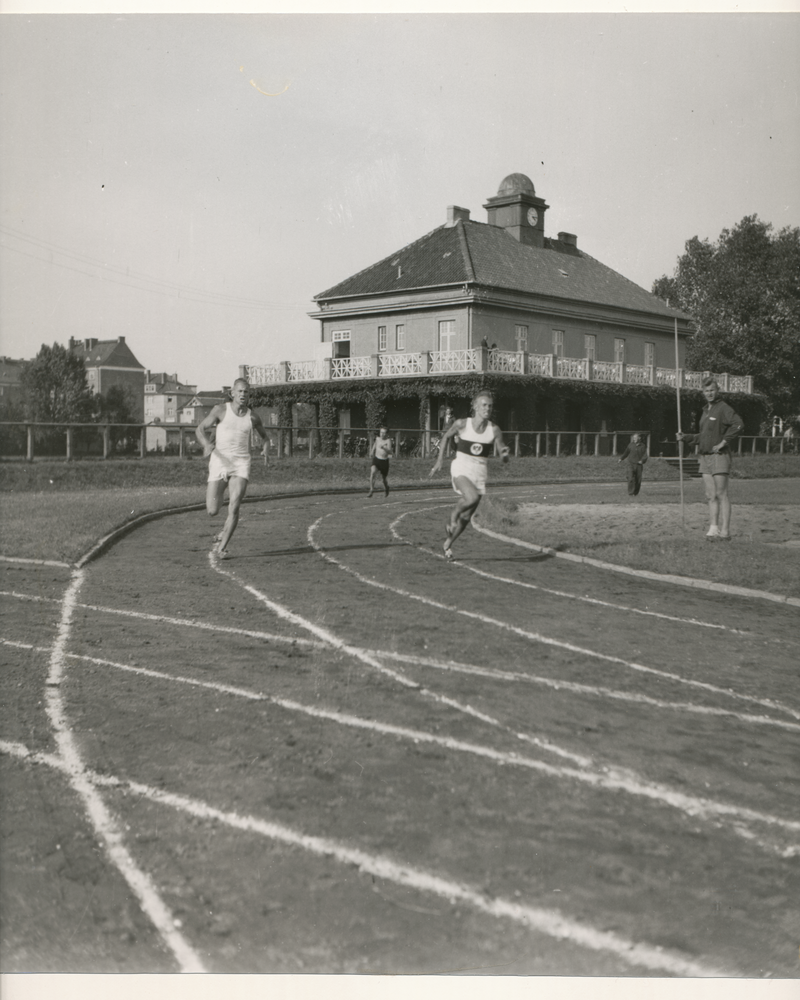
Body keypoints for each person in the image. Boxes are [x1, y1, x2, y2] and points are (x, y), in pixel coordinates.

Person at [429, 390, 510, 559]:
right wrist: (439, 461)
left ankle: (448, 544)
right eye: (483, 405)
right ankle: (453, 514)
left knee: (466, 518)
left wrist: (504, 455)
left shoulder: (494, 430)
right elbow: (445, 437)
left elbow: (503, 456)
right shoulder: (462, 424)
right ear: (475, 406)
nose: (487, 409)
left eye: (490, 406)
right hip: (461, 468)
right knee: (471, 498)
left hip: (479, 474)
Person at [195, 377, 269, 559]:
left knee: (235, 506)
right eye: (240, 391)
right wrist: (206, 444)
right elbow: (200, 429)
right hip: (220, 461)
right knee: (212, 510)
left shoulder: (252, 416)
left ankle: (222, 548)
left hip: (241, 463)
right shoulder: (220, 410)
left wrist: (266, 446)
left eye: (246, 392)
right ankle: (222, 503)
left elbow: (265, 436)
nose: (243, 395)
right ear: (233, 393)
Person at [677, 377, 744, 541]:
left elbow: (739, 424)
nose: (709, 393)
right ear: (703, 392)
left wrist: (724, 441)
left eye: (712, 390)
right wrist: (685, 437)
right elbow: (704, 435)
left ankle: (725, 531)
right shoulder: (706, 410)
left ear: (717, 390)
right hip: (705, 456)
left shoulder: (723, 408)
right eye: (706, 391)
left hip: (719, 456)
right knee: (710, 495)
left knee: (722, 494)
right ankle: (713, 528)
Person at [368, 425, 393, 498]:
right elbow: (375, 444)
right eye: (381, 432)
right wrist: (372, 451)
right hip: (377, 459)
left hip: (384, 461)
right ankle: (371, 490)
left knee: (384, 479)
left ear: (387, 434)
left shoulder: (388, 441)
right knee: (372, 472)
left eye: (384, 433)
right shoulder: (377, 438)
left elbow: (390, 452)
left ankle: (386, 488)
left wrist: (384, 448)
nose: (382, 434)